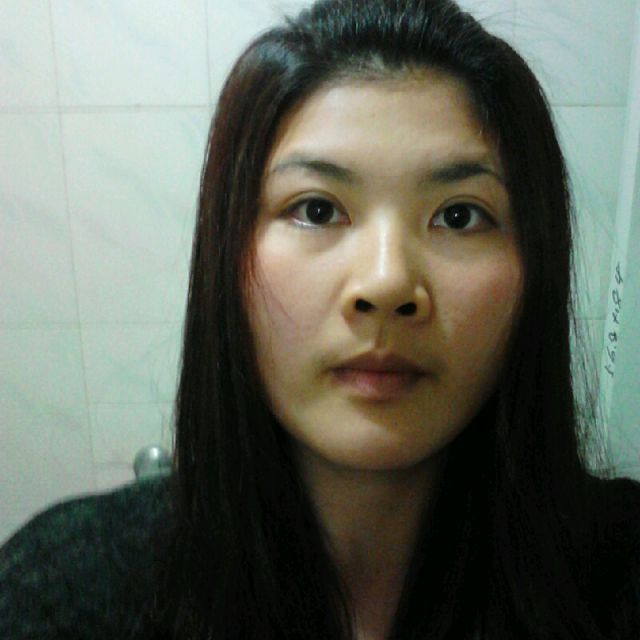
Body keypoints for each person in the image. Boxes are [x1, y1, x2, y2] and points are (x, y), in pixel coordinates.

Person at [2, 1, 639, 638]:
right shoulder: (65, 588)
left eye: (459, 215)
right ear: (229, 255)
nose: (387, 284)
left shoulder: (619, 576)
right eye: (316, 209)